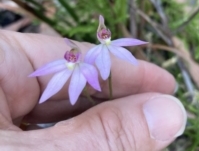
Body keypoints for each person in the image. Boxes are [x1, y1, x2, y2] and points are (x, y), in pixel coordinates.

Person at [0, 30, 187, 150]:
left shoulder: (93, 58)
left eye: (105, 33)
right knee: (81, 91)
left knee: (102, 81)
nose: (103, 35)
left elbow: (98, 76)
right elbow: (43, 72)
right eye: (71, 55)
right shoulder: (86, 59)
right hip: (72, 71)